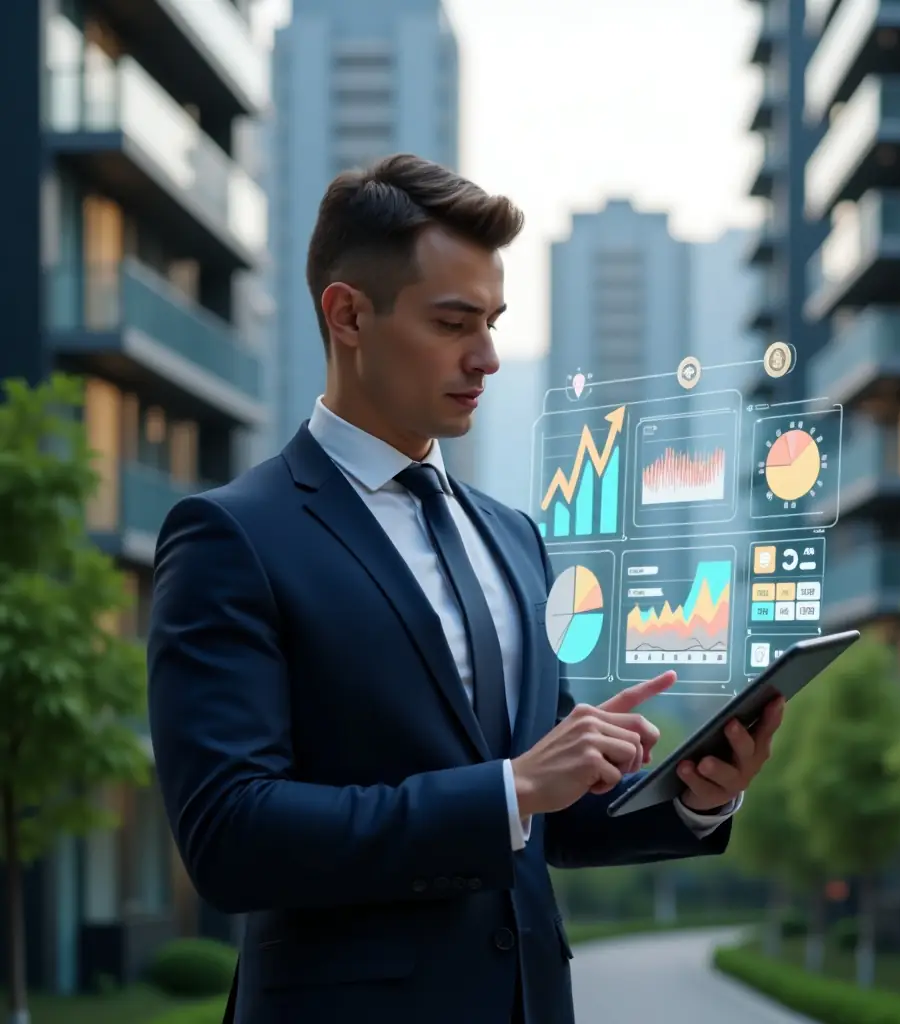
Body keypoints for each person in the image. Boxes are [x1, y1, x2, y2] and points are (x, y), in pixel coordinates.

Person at [147, 154, 784, 1024]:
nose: (486, 356)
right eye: (453, 322)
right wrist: (510, 788)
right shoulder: (233, 536)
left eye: (493, 321)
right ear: (348, 316)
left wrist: (695, 795)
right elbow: (230, 835)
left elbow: (547, 817)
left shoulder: (514, 537)